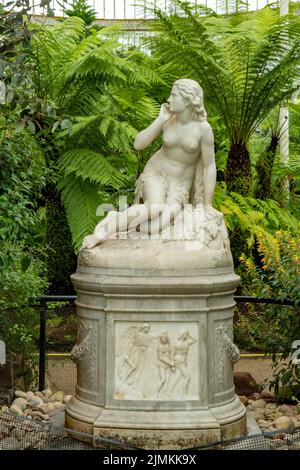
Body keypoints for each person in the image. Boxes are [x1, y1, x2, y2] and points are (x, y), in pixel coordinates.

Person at [82, 79, 218, 249]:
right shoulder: (168, 121)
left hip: (180, 186)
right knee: (154, 208)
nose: (169, 99)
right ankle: (101, 233)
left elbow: (209, 166)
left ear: (187, 100)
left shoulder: (203, 129)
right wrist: (160, 119)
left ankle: (116, 218)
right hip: (156, 173)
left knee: (154, 227)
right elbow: (138, 144)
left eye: (173, 95)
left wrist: (207, 204)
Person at [171, 330, 197, 397]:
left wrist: (189, 334)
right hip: (178, 361)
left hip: (183, 361)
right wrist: (172, 365)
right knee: (188, 377)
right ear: (182, 334)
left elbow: (195, 339)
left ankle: (168, 393)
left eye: (186, 334)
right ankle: (184, 395)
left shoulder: (187, 342)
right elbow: (172, 353)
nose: (186, 335)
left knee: (177, 378)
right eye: (185, 334)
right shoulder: (176, 342)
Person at [156, 332, 175, 399]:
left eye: (165, 338)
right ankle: (156, 393)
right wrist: (170, 362)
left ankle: (164, 395)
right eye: (163, 338)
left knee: (167, 381)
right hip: (162, 365)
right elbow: (160, 357)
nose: (164, 339)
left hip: (168, 365)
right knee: (163, 380)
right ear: (161, 339)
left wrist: (172, 365)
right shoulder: (160, 347)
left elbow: (171, 355)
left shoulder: (168, 345)